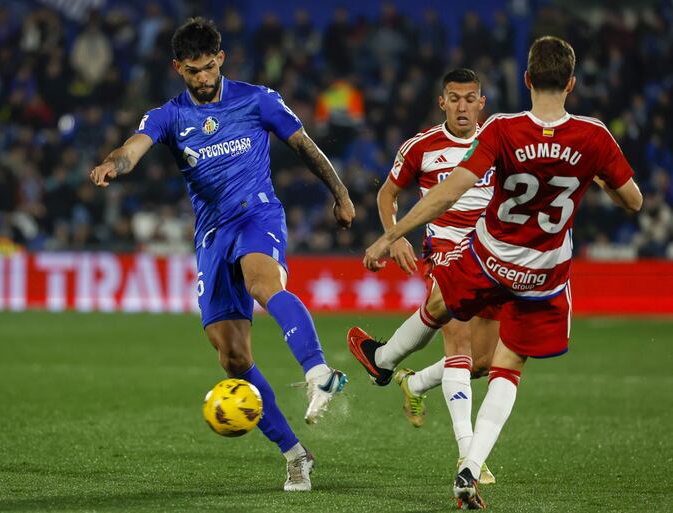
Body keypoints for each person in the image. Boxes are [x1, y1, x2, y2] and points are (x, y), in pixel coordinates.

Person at [349, 36, 642, 509]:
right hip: (545, 273)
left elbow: (446, 193)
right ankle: (469, 466)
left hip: (490, 256)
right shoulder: (595, 136)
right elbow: (633, 201)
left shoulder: (504, 129)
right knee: (507, 367)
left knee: (443, 309)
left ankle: (386, 364)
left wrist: (388, 237)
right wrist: (599, 177)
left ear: (525, 80)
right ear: (572, 83)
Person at [89, 18, 356, 492]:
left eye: (210, 67)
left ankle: (318, 372)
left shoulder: (258, 99)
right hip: (212, 235)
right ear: (178, 68)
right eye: (194, 71)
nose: (205, 78)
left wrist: (339, 193)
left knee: (262, 283)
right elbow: (135, 147)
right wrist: (115, 163)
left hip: (257, 215)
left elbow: (304, 145)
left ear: (222, 58)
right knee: (233, 358)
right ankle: (296, 454)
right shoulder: (168, 115)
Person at [348, 68, 498, 485]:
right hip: (448, 254)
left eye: (471, 98)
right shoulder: (422, 147)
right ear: (442, 102)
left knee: (484, 362)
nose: (463, 106)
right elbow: (387, 195)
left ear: (482, 103)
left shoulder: (499, 142)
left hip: (494, 257)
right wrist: (394, 239)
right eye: (455, 98)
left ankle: (404, 378)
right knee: (459, 346)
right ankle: (470, 457)